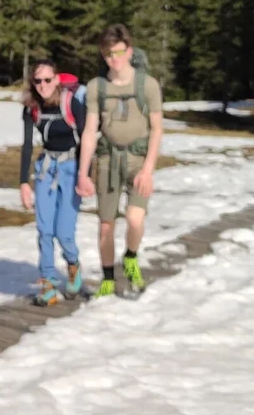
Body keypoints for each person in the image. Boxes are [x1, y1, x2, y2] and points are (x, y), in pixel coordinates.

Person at [75, 24, 165, 299]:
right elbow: (90, 130)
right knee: (106, 225)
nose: (114, 59)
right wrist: (83, 172)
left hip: (139, 160)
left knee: (135, 219)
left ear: (129, 50)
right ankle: (108, 278)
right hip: (107, 161)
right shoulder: (95, 87)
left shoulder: (147, 85)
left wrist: (148, 170)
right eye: (108, 54)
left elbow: (157, 129)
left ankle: (131, 258)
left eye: (118, 52)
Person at [19, 59, 87, 305]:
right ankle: (47, 282)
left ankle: (73, 264)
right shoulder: (31, 107)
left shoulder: (72, 103)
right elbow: (27, 145)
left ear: (57, 79)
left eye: (48, 80)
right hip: (46, 167)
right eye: (37, 81)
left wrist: (85, 174)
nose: (42, 85)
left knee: (64, 233)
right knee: (44, 229)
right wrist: (23, 183)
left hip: (71, 167)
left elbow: (88, 139)